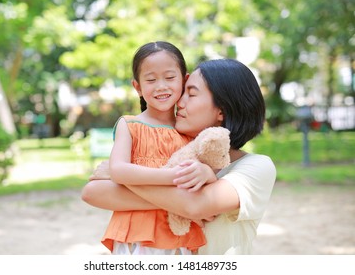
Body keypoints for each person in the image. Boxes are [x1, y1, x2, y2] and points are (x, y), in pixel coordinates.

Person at [82, 58, 277, 255]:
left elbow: (194, 206)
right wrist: (123, 172)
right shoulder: (170, 155)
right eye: (182, 92)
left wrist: (119, 173)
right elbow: (93, 192)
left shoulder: (256, 167)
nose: (179, 102)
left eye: (191, 94)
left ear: (222, 110)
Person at [98, 41, 207, 255]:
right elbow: (119, 170)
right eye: (150, 80)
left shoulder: (190, 130)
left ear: (184, 80)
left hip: (180, 235)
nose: (161, 86)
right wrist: (173, 177)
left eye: (169, 77)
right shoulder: (129, 125)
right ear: (137, 87)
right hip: (137, 234)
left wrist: (206, 175)